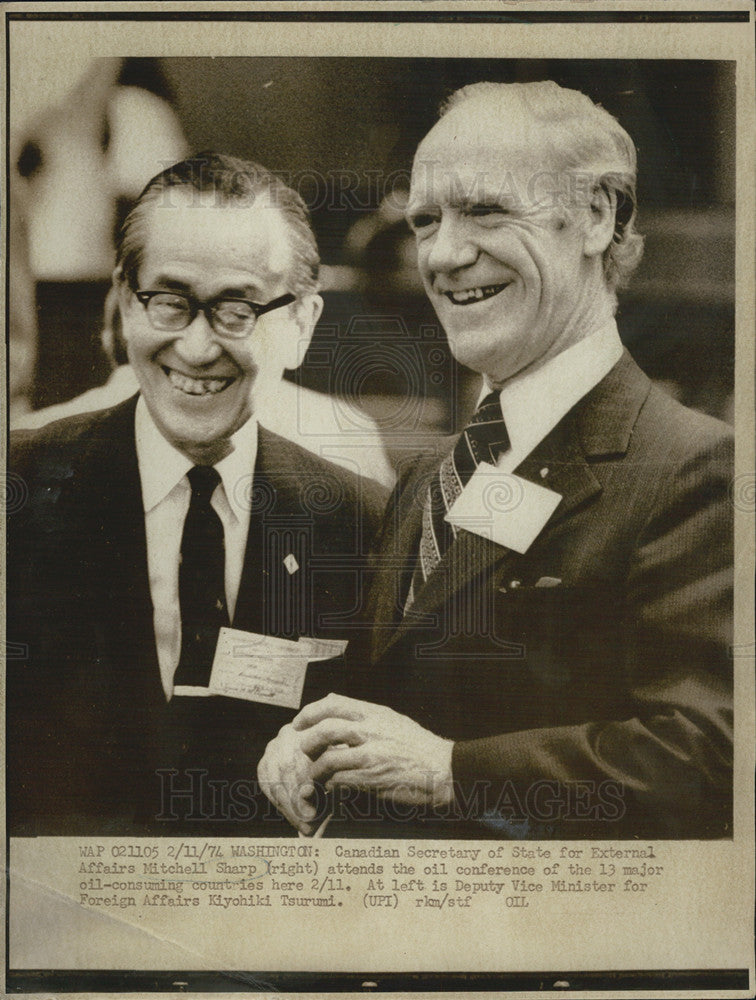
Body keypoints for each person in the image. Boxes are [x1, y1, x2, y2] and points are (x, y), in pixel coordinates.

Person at [259, 81, 734, 839]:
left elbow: (712, 759)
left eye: (485, 210)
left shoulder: (697, 471)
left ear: (597, 216)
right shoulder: (429, 476)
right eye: (424, 219)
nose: (444, 254)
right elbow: (401, 700)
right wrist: (314, 744)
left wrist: (453, 772)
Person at [7, 153, 387, 836]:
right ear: (126, 305)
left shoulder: (362, 524)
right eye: (170, 301)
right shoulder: (19, 492)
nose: (198, 346)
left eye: (237, 309)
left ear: (300, 324)